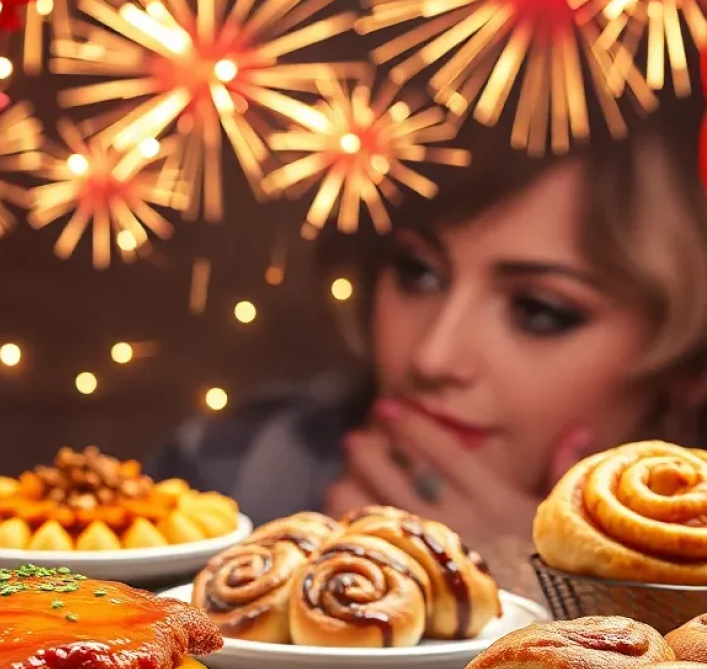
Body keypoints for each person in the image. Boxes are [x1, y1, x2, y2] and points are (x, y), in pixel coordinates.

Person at [150, 103, 707, 549]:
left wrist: (551, 595)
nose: (432, 358)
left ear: (688, 366)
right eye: (418, 273)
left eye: (539, 311)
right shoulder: (222, 475)